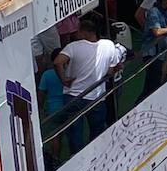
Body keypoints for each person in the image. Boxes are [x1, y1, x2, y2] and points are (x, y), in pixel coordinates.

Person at [55, 18, 128, 151]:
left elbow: (58, 62)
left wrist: (64, 79)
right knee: (97, 129)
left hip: (74, 96)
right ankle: (96, 154)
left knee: (75, 133)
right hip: (96, 96)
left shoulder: (73, 47)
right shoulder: (108, 45)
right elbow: (110, 70)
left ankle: (76, 157)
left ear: (83, 32)